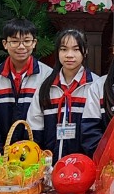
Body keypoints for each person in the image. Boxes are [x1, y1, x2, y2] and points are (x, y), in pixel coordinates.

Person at [28, 29, 101, 157]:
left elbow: (98, 130)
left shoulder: (95, 86)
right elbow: (34, 125)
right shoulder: (46, 87)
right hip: (49, 162)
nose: (69, 55)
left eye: (76, 49)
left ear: (85, 51)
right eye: (64, 49)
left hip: (83, 163)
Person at [0, 18, 53, 150]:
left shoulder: (47, 75)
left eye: (26, 41)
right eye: (14, 41)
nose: (21, 47)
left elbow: (48, 120)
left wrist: (34, 152)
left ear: (34, 43)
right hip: (0, 152)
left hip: (35, 151)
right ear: (5, 44)